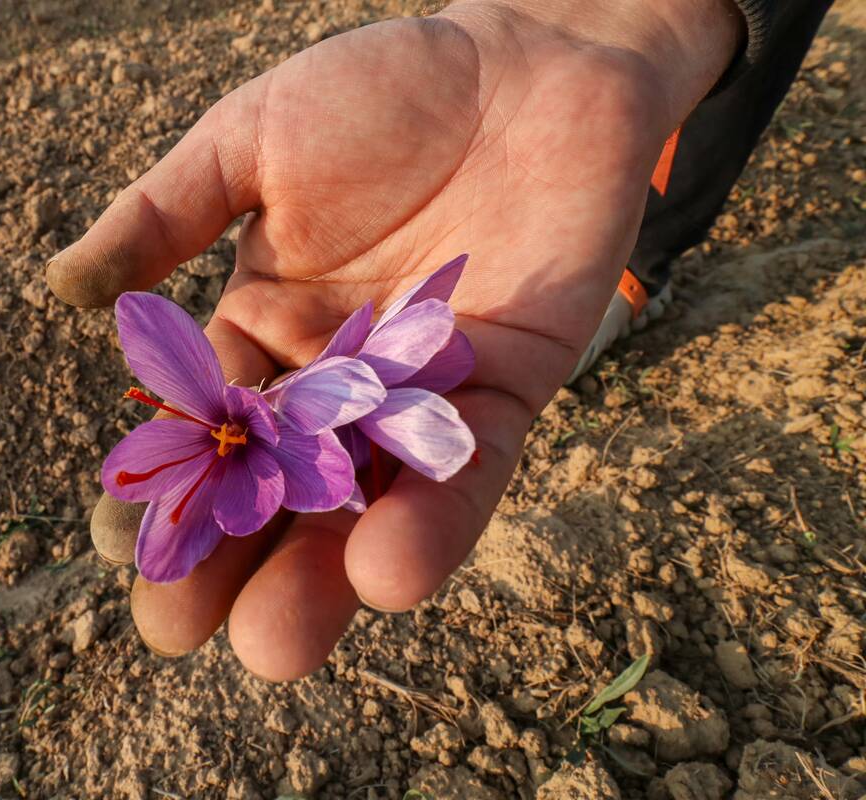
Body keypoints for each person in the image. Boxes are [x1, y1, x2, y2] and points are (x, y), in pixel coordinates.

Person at [45, 0, 832, 681]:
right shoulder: (243, 427)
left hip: (649, 88)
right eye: (228, 429)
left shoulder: (244, 421)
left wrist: (581, 25)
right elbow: (295, 454)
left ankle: (636, 271)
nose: (224, 428)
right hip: (303, 413)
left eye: (229, 424)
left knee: (652, 165)